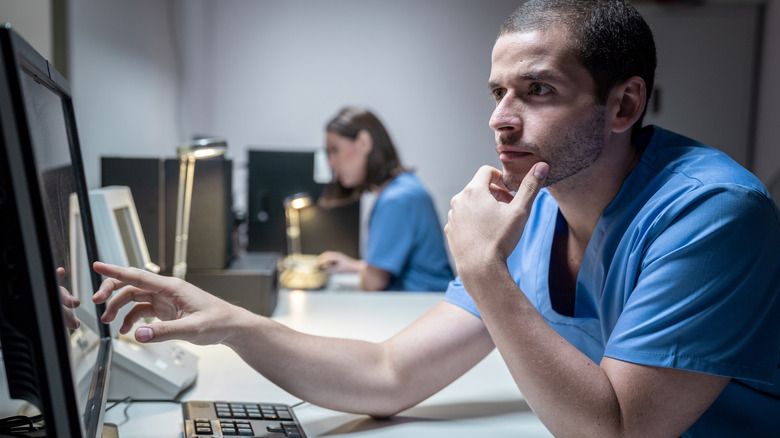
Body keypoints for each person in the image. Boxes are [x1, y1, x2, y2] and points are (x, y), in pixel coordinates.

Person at [92, 1, 780, 436]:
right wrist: (230, 323)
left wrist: (484, 270)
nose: (500, 119)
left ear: (624, 106)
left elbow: (619, 431)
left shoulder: (710, 213)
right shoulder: (536, 210)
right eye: (497, 92)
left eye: (537, 90)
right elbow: (390, 373)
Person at [315, 106, 453, 291]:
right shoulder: (405, 187)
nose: (331, 163)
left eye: (335, 150)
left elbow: (373, 283)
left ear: (364, 142)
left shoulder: (396, 200)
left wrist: (365, 273)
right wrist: (355, 266)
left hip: (421, 305)